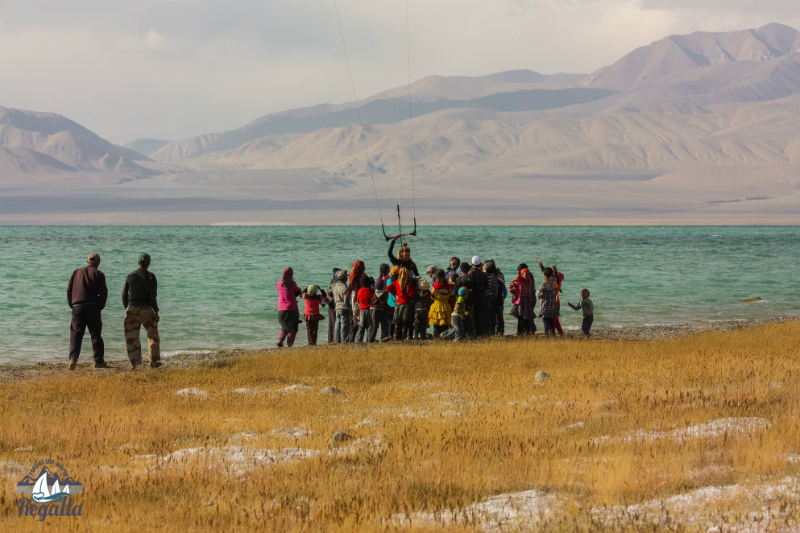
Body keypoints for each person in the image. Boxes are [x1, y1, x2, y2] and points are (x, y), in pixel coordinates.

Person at [67, 253, 109, 370]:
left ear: (87, 261)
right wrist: (100, 306)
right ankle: (98, 361)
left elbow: (69, 289)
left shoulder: (76, 272)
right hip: (92, 306)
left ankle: (73, 359)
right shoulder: (99, 274)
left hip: (77, 306)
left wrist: (72, 304)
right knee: (95, 335)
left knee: (76, 333)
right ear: (98, 262)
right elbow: (104, 293)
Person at [122, 253, 161, 370]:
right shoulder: (151, 277)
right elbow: (152, 296)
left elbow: (124, 294)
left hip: (132, 307)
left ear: (139, 263)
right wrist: (156, 310)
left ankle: (135, 364)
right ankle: (153, 361)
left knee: (132, 336)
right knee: (152, 334)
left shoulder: (130, 276)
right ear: (148, 264)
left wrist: (127, 308)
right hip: (146, 308)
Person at [537, 259, 565, 337]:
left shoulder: (557, 284)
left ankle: (557, 334)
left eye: (554, 276)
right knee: (554, 320)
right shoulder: (552, 282)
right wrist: (541, 265)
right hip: (554, 303)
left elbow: (550, 276)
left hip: (554, 304)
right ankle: (556, 334)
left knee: (553, 320)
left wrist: (555, 271)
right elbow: (546, 273)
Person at [387, 267, 417, 340]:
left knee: (398, 321)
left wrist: (395, 294)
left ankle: (397, 336)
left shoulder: (397, 282)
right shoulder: (409, 283)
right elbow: (410, 295)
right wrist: (416, 290)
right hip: (406, 304)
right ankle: (406, 336)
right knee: (407, 321)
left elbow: (388, 288)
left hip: (398, 304)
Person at [276, 267, 302, 348]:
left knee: (284, 326)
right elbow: (297, 291)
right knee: (292, 328)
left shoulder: (279, 283)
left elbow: (279, 290)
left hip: (281, 309)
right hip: (291, 308)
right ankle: (289, 345)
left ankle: (280, 339)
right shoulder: (292, 283)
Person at [509, 266, 537, 336]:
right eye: (526, 274)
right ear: (521, 274)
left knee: (528, 318)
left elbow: (533, 292)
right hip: (520, 302)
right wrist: (514, 292)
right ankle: (520, 333)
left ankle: (527, 333)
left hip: (528, 301)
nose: (528, 275)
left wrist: (533, 302)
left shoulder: (531, 282)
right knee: (521, 317)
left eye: (528, 274)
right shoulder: (518, 281)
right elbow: (510, 287)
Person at [454, 263, 477, 339]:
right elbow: (476, 291)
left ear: (461, 270)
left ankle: (462, 336)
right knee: (471, 319)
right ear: (469, 270)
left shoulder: (458, 279)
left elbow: (455, 292)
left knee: (461, 319)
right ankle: (471, 336)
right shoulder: (473, 278)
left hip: (461, 303)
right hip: (471, 302)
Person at [429, 269, 453, 338]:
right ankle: (445, 335)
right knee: (445, 322)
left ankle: (437, 336)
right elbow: (451, 295)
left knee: (437, 322)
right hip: (446, 306)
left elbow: (432, 295)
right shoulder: (447, 285)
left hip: (437, 306)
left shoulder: (436, 285)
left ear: (437, 278)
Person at [469, 255, 488, 337]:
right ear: (480, 263)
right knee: (479, 316)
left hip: (472, 297)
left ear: (472, 263)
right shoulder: (483, 274)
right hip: (481, 297)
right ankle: (480, 334)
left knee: (471, 316)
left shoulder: (471, 272)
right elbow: (486, 287)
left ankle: (472, 334)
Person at [348, 260, 367, 342]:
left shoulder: (352, 275)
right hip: (360, 298)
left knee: (353, 321)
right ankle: (359, 339)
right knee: (360, 321)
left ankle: (351, 339)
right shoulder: (363, 275)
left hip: (353, 298)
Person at [537, 267, 558, 337]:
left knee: (545, 320)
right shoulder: (552, 282)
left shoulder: (544, 283)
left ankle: (546, 334)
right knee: (551, 319)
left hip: (545, 304)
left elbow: (539, 293)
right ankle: (553, 333)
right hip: (552, 304)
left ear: (544, 275)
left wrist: (538, 297)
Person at [332, 269, 351, 343]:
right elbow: (346, 300)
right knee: (344, 326)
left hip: (337, 308)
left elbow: (334, 300)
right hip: (343, 308)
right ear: (344, 278)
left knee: (337, 325)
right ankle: (344, 341)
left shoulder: (335, 287)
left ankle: (337, 341)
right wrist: (349, 307)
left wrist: (336, 306)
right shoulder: (344, 287)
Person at [355, 276, 375, 342]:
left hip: (362, 310)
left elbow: (358, 301)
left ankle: (358, 340)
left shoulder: (359, 291)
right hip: (370, 310)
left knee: (361, 326)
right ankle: (369, 340)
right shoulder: (372, 291)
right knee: (370, 326)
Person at [324, 268, 340, 344]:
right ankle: (335, 340)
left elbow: (328, 292)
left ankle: (330, 341)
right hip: (333, 305)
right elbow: (330, 292)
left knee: (331, 325)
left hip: (330, 304)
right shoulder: (335, 281)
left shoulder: (332, 280)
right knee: (334, 324)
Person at [494, 267, 508, 335]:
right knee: (500, 318)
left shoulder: (491, 282)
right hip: (499, 302)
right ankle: (500, 331)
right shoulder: (500, 282)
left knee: (494, 317)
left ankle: (494, 331)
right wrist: (502, 298)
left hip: (493, 302)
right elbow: (505, 292)